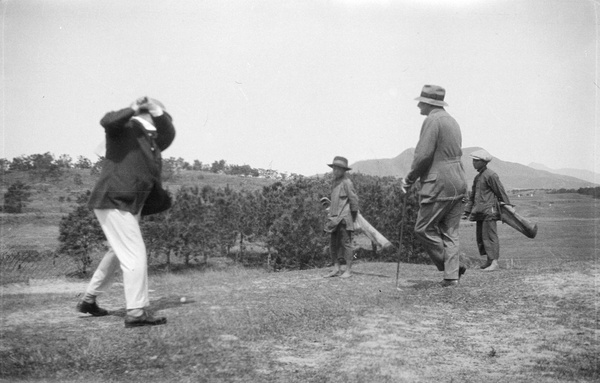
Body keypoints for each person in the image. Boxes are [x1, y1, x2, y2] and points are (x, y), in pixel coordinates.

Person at [76, 96, 176, 328]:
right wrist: (133, 108)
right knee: (135, 254)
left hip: (129, 203)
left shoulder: (151, 138)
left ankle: (89, 300)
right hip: (115, 199)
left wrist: (155, 110)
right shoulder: (125, 128)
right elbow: (108, 120)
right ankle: (136, 312)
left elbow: (168, 133)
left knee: (117, 252)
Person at [402, 85, 467, 287]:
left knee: (422, 228)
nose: (418, 105)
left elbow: (423, 155)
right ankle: (451, 276)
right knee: (451, 232)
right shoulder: (452, 121)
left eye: (421, 101)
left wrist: (409, 179)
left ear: (429, 103)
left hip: (438, 183)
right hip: (459, 180)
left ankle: (455, 267)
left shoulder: (431, 120)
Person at [463, 149, 511, 272]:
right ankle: (489, 260)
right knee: (482, 237)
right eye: (473, 160)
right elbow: (473, 196)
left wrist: (508, 206)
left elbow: (500, 192)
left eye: (476, 161)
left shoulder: (491, 175)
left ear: (483, 162)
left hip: (489, 211)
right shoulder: (477, 177)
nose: (473, 163)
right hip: (479, 212)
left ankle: (494, 262)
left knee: (490, 237)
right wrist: (467, 211)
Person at [323, 156, 359, 279]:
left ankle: (348, 270)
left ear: (344, 170)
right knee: (333, 244)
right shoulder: (334, 182)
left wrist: (352, 217)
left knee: (346, 244)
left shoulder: (347, 182)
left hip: (344, 218)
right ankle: (336, 268)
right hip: (333, 219)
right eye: (334, 168)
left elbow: (354, 200)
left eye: (338, 169)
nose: (336, 171)